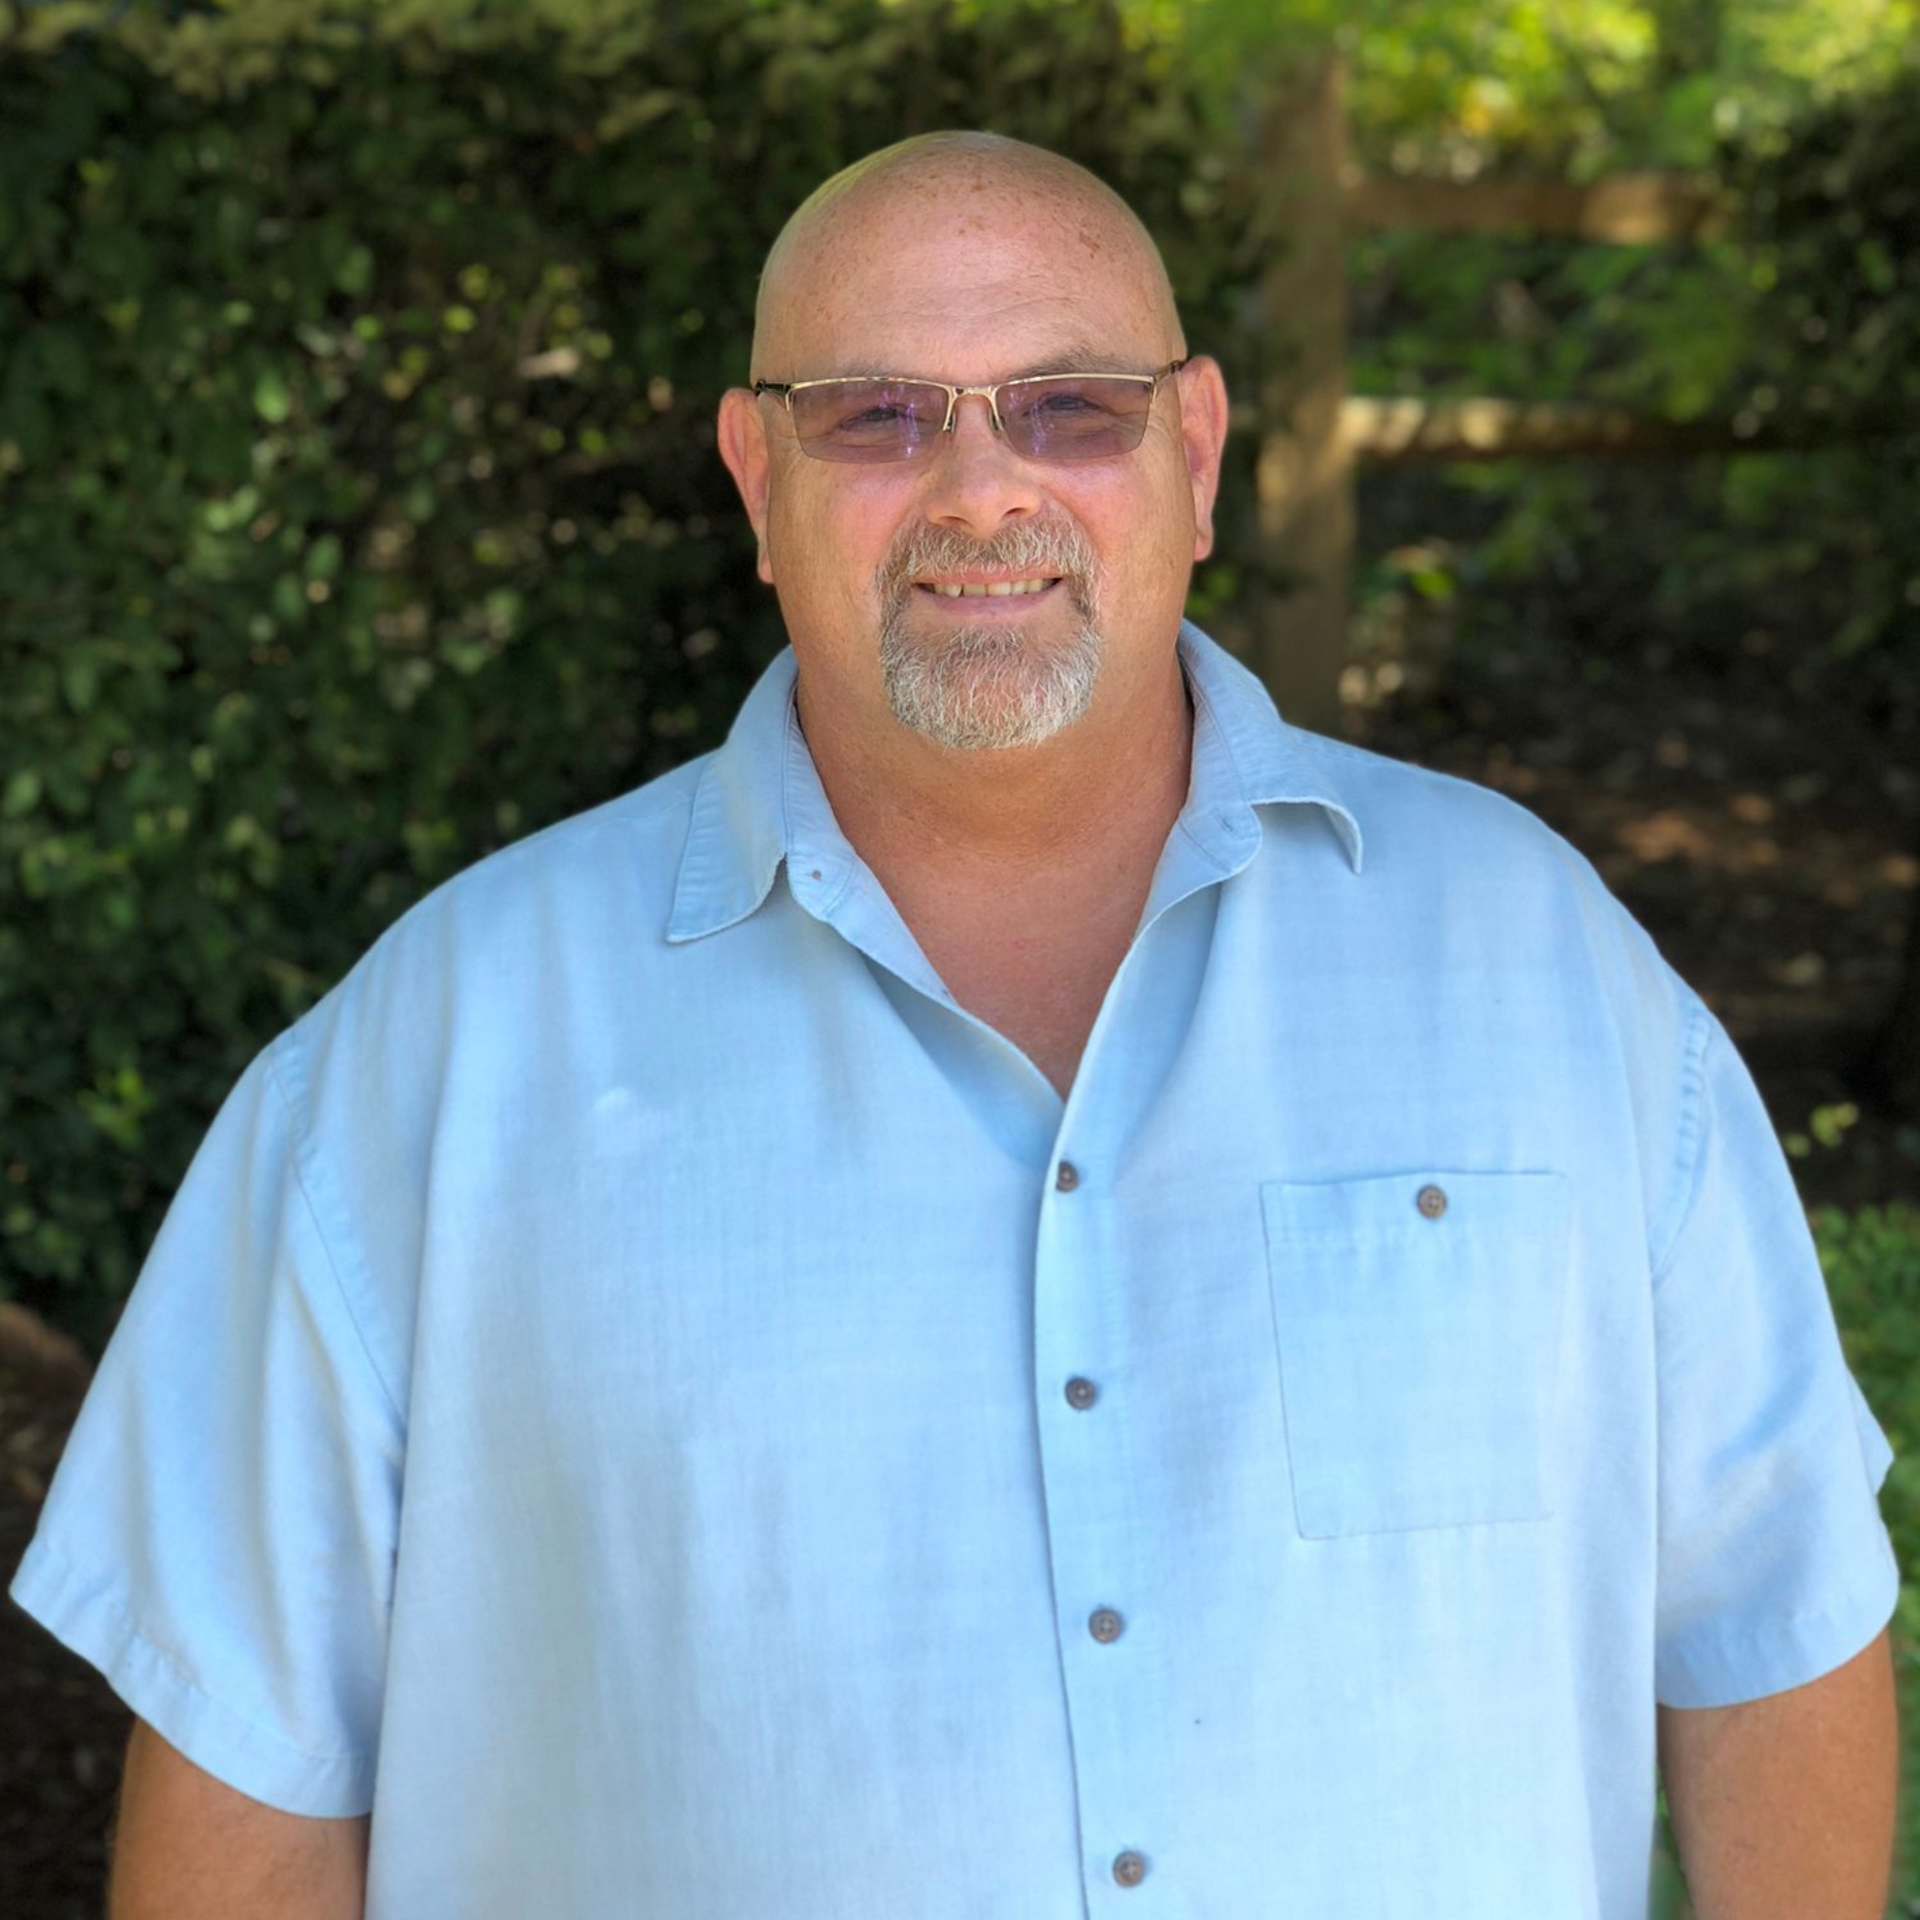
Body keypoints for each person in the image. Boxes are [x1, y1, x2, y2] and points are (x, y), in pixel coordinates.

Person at [8, 131, 1901, 1920]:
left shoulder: (1539, 960)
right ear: (755, 481)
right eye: (878, 418)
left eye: (1072, 406)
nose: (982, 489)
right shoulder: (431, 1056)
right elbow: (251, 1789)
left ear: (1203, 453)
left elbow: (1772, 1617)